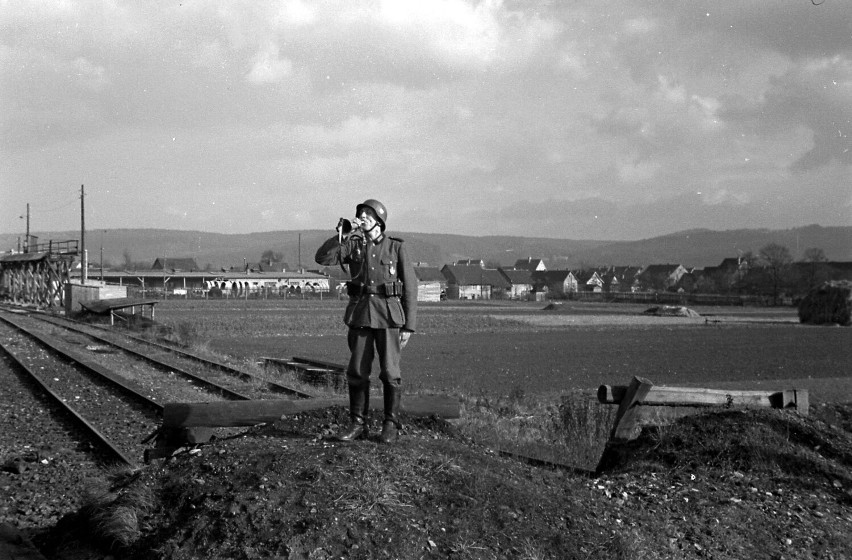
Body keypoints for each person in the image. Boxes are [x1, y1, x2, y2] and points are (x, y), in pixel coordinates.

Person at [315, 199, 418, 443]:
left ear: (379, 220)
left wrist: (409, 325)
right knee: (357, 371)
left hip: (389, 316)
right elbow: (322, 258)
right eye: (361, 214)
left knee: (390, 372)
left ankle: (390, 425)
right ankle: (357, 424)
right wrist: (342, 236)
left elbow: (411, 288)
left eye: (369, 215)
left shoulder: (395, 248)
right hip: (361, 314)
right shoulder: (353, 246)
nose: (364, 218)